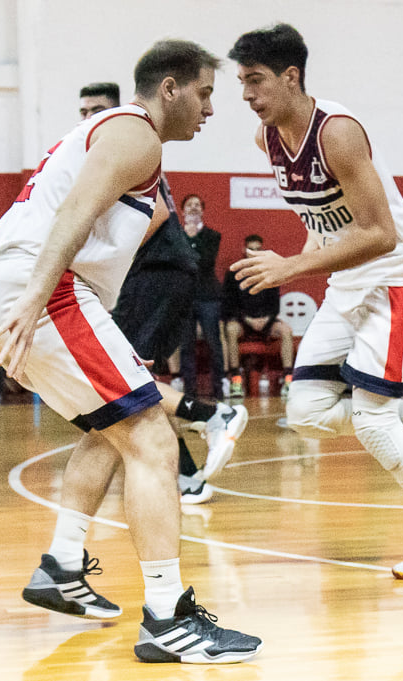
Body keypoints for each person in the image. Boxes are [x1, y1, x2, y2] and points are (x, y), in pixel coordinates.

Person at [0, 39, 261, 663]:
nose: (212, 109)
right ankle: (167, 618)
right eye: (206, 93)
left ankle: (62, 566)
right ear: (171, 88)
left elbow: (115, 222)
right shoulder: (137, 133)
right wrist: (39, 294)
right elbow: (75, 210)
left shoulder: (131, 149)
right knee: (153, 439)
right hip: (39, 287)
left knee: (112, 429)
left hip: (25, 287)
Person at [228, 23, 403, 578]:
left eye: (255, 81)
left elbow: (380, 234)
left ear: (291, 77)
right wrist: (302, 258)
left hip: (395, 277)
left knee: (372, 422)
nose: (246, 95)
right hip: (349, 281)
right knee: (307, 412)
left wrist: (291, 268)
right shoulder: (266, 138)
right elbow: (321, 218)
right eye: (241, 83)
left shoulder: (338, 133)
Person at [83, 82, 248, 505]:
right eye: (83, 110)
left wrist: (105, 265)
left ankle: (214, 414)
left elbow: (155, 214)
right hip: (155, 276)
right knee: (133, 382)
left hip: (159, 273)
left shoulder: (126, 142)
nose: (88, 117)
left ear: (115, 109)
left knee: (123, 381)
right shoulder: (113, 145)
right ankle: (189, 475)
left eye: (97, 108)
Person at [222, 233, 295, 397]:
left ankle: (288, 379)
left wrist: (266, 319)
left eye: (257, 249)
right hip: (243, 321)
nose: (254, 253)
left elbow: (275, 303)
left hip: (266, 321)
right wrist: (246, 319)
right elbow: (229, 304)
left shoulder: (270, 272)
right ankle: (235, 379)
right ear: (244, 250)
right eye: (251, 250)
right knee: (230, 330)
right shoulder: (233, 274)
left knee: (286, 331)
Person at [177, 194, 227, 398]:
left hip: (208, 296)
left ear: (203, 210)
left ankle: (218, 388)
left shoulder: (213, 235)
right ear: (182, 211)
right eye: (190, 204)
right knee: (186, 344)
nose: (194, 207)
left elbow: (205, 262)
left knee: (213, 342)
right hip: (185, 297)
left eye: (198, 204)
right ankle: (189, 391)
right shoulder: (175, 235)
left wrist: (190, 240)